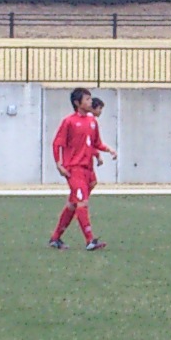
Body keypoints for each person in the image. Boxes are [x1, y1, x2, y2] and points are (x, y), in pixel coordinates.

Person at [49, 87, 115, 251]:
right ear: (77, 103)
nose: (90, 101)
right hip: (74, 168)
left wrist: (107, 151)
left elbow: (95, 143)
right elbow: (57, 143)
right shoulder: (69, 121)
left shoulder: (92, 122)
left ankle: (55, 238)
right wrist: (59, 164)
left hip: (88, 169)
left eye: (90, 99)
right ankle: (90, 240)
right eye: (86, 99)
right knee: (82, 203)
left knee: (73, 203)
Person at [90, 96, 108, 166]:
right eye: (99, 108)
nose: (101, 111)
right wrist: (97, 154)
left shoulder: (93, 121)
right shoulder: (91, 121)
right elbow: (91, 143)